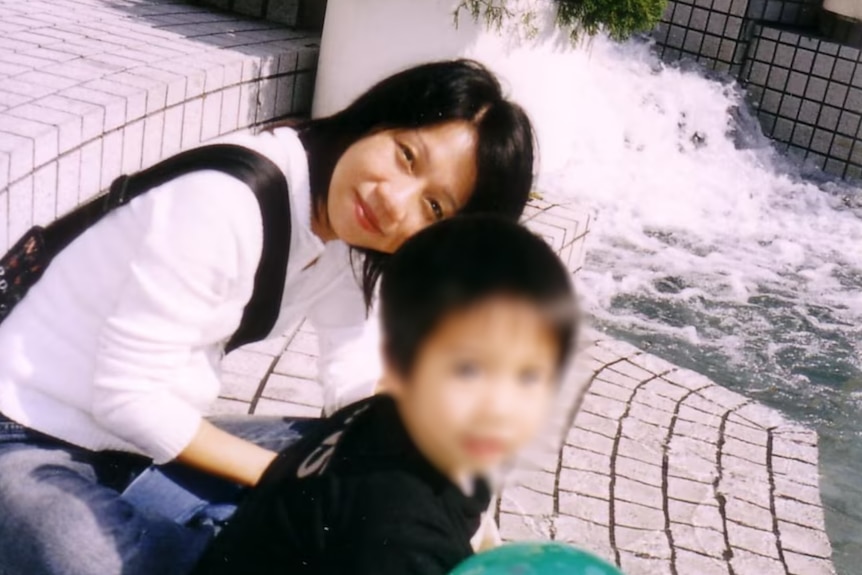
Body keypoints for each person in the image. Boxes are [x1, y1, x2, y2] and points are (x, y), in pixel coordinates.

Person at [0, 60, 535, 575]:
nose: (395, 203)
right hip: (25, 436)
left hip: (135, 454)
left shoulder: (347, 232)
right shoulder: (225, 202)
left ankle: (224, 538)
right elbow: (128, 399)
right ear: (378, 118)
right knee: (87, 554)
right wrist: (299, 488)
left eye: (435, 208)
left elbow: (353, 381)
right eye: (406, 156)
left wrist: (450, 497)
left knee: (380, 449)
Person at [193, 215, 580, 575]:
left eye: (530, 376)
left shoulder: (390, 418)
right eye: (469, 370)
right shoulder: (401, 530)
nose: (500, 407)